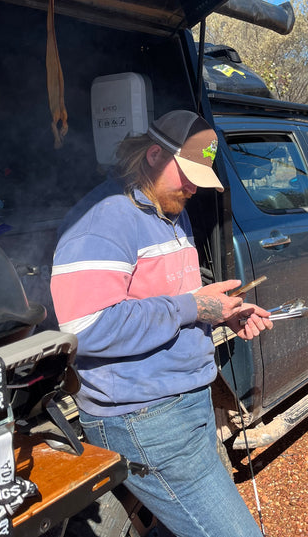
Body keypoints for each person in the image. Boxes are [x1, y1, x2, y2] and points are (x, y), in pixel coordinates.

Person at [50, 109, 273, 537]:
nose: (192, 187)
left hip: (186, 403)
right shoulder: (102, 220)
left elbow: (169, 304)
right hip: (145, 418)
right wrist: (195, 309)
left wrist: (221, 315)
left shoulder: (170, 207)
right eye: (186, 174)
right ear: (154, 154)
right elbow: (85, 326)